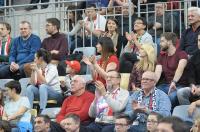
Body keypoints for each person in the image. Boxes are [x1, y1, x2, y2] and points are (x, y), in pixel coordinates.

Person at [155, 32, 188, 108]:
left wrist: (174, 82)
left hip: (180, 86)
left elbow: (180, 69)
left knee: (171, 97)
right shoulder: (161, 56)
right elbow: (157, 72)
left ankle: (168, 118)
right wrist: (152, 84)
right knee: (154, 94)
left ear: (169, 42)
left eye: (162, 41)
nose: (160, 44)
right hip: (166, 85)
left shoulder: (182, 53)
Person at [177, 32, 200, 105]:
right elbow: (190, 75)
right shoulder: (195, 56)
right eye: (199, 40)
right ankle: (189, 114)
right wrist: (192, 85)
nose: (199, 43)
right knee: (181, 92)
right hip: (196, 86)